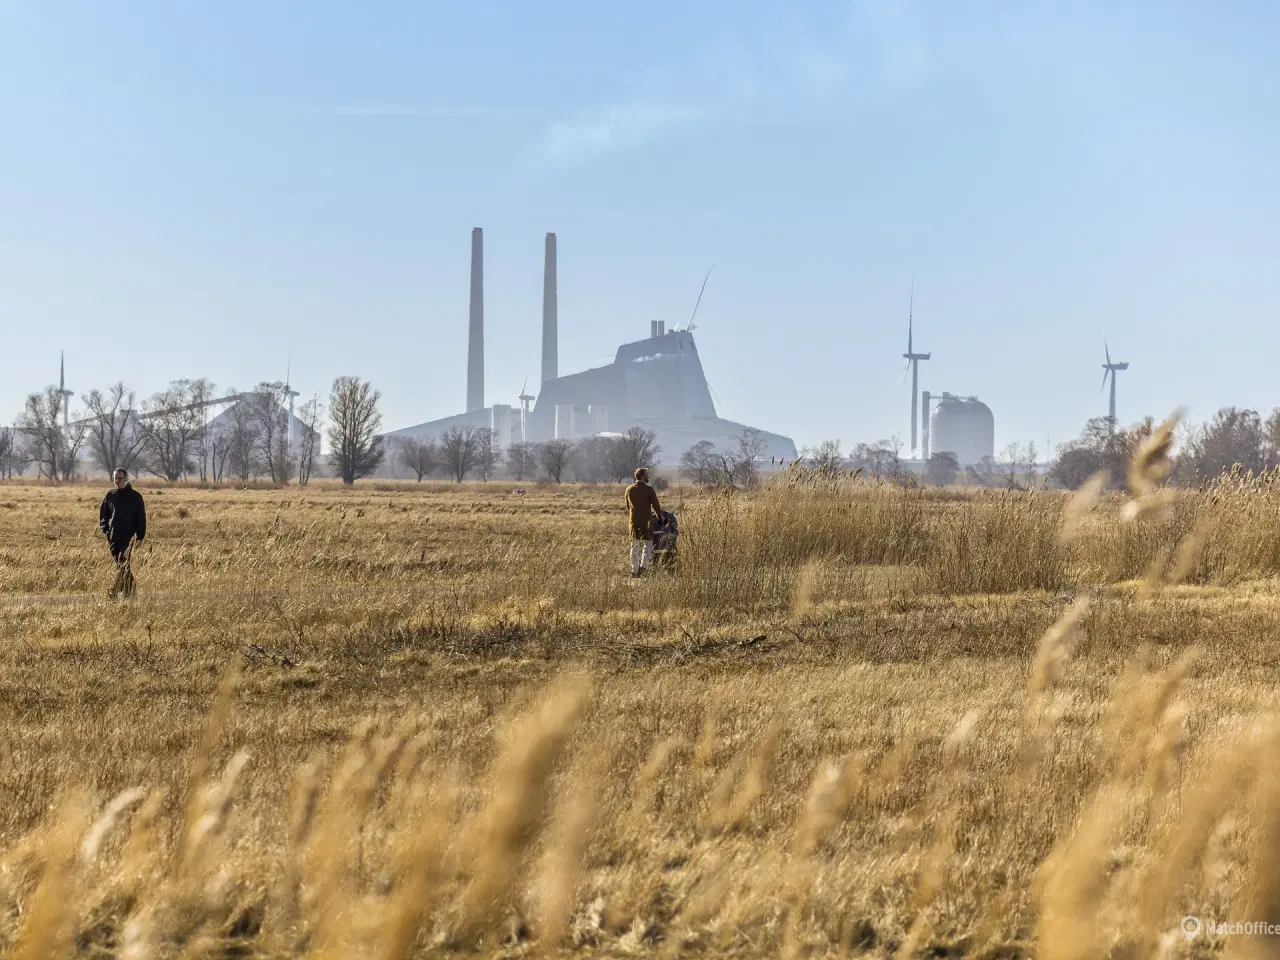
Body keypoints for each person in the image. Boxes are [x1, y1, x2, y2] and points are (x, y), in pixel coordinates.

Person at [99, 468, 146, 596]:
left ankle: (115, 590)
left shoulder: (135, 497)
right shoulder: (110, 495)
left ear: (126, 479)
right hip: (113, 536)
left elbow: (141, 517)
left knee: (123, 561)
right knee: (119, 563)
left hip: (128, 537)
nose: (117, 481)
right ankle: (129, 591)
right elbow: (104, 514)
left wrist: (141, 536)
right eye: (115, 478)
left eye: (120, 478)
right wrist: (105, 529)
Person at [624, 467, 662, 577]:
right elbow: (656, 506)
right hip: (646, 522)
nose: (648, 476)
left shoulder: (629, 490)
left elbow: (628, 507)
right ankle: (643, 567)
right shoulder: (649, 490)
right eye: (647, 475)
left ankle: (634, 570)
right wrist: (660, 517)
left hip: (633, 522)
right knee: (648, 544)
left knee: (634, 546)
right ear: (642, 476)